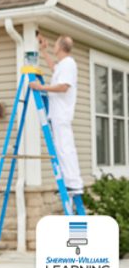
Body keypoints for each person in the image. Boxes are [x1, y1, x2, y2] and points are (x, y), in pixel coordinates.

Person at [29, 34, 85, 214]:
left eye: (55, 44)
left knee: (65, 149)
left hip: (62, 114)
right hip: (57, 114)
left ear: (61, 46)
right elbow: (55, 69)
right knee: (61, 149)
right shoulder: (63, 65)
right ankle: (70, 184)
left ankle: (74, 185)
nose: (53, 46)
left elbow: (63, 87)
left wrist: (41, 88)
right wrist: (43, 51)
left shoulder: (69, 64)